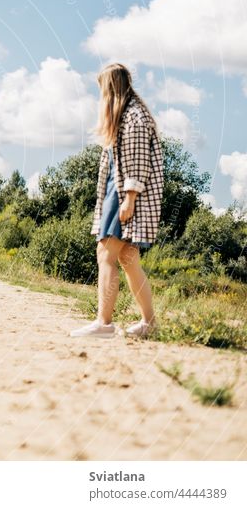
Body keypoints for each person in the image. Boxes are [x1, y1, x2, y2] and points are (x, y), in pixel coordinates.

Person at [71, 63, 164, 339]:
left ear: (111, 87)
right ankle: (149, 323)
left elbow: (137, 164)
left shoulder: (134, 117)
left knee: (106, 254)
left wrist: (129, 199)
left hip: (124, 194)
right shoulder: (127, 115)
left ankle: (104, 322)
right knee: (127, 257)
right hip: (118, 191)